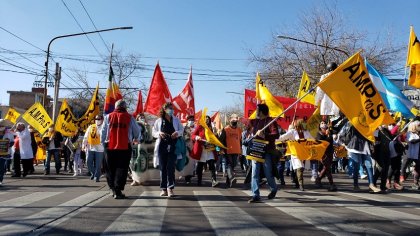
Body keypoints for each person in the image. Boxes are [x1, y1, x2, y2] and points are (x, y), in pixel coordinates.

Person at [101, 99, 141, 199]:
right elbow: (137, 131)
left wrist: (103, 144)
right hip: (125, 146)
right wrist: (136, 139)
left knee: (110, 168)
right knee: (122, 168)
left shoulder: (107, 117)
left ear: (116, 107)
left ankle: (113, 189)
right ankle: (118, 189)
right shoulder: (130, 117)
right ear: (125, 107)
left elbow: (103, 132)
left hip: (109, 146)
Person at [248, 104, 279, 203]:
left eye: (257, 110)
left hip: (266, 151)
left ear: (261, 111)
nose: (255, 111)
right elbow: (248, 122)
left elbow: (276, 135)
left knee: (268, 172)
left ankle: (273, 188)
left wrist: (264, 135)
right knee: (254, 173)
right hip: (256, 149)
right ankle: (255, 195)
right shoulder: (256, 121)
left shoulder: (271, 121)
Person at [152, 102, 183, 197]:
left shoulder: (176, 120)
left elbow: (182, 130)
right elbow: (153, 132)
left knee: (170, 167)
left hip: (173, 147)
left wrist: (177, 133)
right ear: (164, 109)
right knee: (163, 168)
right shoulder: (159, 121)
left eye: (172, 108)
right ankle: (163, 189)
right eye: (169, 108)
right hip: (162, 146)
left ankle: (170, 189)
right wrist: (159, 134)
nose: (171, 110)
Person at [340, 121, 381, 193]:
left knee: (369, 166)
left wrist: (376, 129)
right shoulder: (355, 122)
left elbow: (374, 135)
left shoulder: (370, 122)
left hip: (366, 147)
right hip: (356, 147)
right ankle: (355, 185)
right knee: (357, 167)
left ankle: (371, 185)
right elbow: (352, 131)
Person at [278, 119, 313, 191]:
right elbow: (283, 137)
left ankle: (296, 181)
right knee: (299, 167)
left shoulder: (306, 132)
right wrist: (273, 139)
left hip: (304, 154)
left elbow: (312, 140)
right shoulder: (292, 132)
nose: (304, 124)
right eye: (303, 123)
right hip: (295, 153)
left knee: (300, 169)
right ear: (299, 124)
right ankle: (301, 185)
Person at [191, 115, 219, 187]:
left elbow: (216, 138)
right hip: (202, 149)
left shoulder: (212, 128)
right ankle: (199, 180)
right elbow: (193, 136)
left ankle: (214, 180)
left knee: (212, 164)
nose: (207, 120)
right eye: (205, 119)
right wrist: (197, 137)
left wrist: (215, 136)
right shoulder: (199, 127)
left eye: (208, 119)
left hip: (210, 149)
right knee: (200, 166)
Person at [219, 114, 242, 188]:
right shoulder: (226, 129)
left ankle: (228, 182)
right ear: (230, 120)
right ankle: (232, 178)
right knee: (229, 165)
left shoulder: (239, 130)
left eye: (236, 120)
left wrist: (240, 150)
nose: (234, 121)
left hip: (236, 150)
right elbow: (221, 140)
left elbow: (240, 140)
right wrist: (221, 149)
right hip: (228, 150)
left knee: (233, 165)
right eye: (233, 120)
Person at [315, 121, 337, 191]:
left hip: (330, 152)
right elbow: (322, 142)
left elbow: (331, 141)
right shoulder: (319, 134)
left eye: (324, 123)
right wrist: (327, 135)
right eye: (321, 123)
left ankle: (318, 179)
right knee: (328, 168)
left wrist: (330, 132)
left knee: (326, 167)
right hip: (322, 153)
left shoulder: (329, 131)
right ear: (320, 126)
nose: (323, 124)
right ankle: (331, 184)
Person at [83, 115, 105, 182]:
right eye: (96, 118)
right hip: (91, 147)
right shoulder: (91, 127)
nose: (97, 120)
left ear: (102, 119)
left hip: (100, 148)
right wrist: (83, 145)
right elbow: (86, 136)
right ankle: (94, 173)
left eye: (99, 119)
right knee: (88, 162)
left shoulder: (104, 127)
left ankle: (96, 176)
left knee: (98, 164)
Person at [181, 115, 197, 185]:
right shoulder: (184, 127)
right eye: (190, 120)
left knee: (192, 163)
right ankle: (186, 176)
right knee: (186, 162)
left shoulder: (196, 128)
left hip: (194, 147)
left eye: (193, 120)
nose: (191, 121)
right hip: (186, 146)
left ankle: (189, 176)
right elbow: (181, 136)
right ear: (187, 120)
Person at [405, 121, 420, 190]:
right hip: (414, 153)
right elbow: (412, 141)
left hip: (418, 152)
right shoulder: (409, 133)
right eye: (418, 125)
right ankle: (415, 183)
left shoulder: (418, 133)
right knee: (417, 168)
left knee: (418, 168)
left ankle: (416, 182)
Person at [0, 119, 14, 185]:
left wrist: (9, 144)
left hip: (4, 153)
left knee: (1, 167)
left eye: (2, 125)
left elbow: (12, 142)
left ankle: (0, 180)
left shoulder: (9, 133)